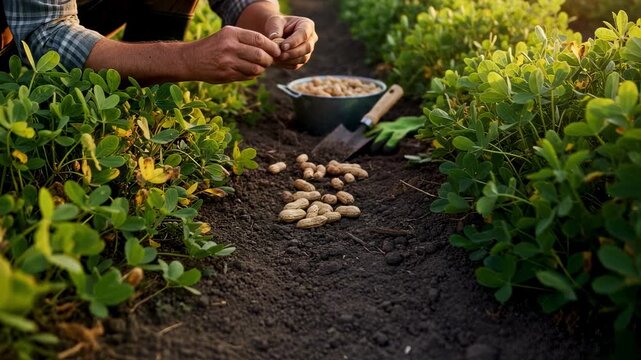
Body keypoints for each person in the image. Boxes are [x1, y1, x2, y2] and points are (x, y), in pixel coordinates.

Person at [0, 0, 318, 84]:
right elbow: (45, 34)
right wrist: (184, 58)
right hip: (15, 36)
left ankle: (134, 97)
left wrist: (271, 23)